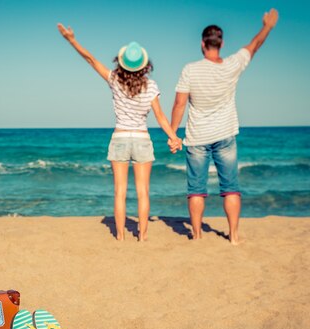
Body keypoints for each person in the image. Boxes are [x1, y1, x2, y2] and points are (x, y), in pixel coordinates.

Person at [58, 23, 181, 241]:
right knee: (143, 192)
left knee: (120, 192)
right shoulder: (151, 86)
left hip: (120, 138)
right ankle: (142, 236)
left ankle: (121, 236)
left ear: (121, 63)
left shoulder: (114, 80)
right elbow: (161, 117)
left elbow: (91, 60)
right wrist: (173, 137)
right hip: (142, 139)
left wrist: (71, 40)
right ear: (144, 65)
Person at [169, 9, 279, 245]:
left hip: (197, 137)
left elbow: (179, 104)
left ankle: (197, 235)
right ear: (221, 43)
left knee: (196, 189)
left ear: (202, 44)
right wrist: (267, 26)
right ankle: (234, 236)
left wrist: (173, 133)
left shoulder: (190, 69)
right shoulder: (232, 64)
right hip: (225, 135)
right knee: (230, 187)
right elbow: (254, 45)